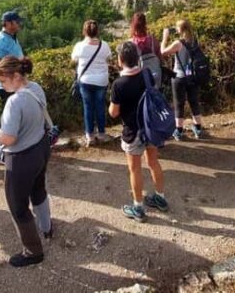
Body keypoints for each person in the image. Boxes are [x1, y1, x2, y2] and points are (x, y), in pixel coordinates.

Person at [0, 55, 53, 267]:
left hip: (21, 158)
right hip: (41, 148)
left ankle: (33, 251)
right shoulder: (35, 88)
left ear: (16, 76)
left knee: (18, 206)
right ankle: (46, 228)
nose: (1, 85)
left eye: (3, 81)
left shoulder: (14, 101)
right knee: (38, 190)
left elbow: (9, 138)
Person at [109, 41, 168, 223]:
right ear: (137, 58)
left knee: (135, 169)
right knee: (153, 162)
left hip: (132, 131)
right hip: (150, 127)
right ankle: (160, 198)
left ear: (120, 60)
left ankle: (139, 207)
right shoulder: (146, 73)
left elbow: (113, 112)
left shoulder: (119, 84)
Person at [0, 11, 25, 164]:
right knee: (9, 119)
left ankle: (14, 149)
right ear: (7, 23)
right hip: (7, 86)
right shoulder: (1, 40)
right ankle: (1, 153)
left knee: (15, 117)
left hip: (13, 83)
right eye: (16, 21)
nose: (19, 24)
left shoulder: (11, 37)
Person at [161, 19, 204, 141]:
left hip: (179, 77)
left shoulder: (178, 43)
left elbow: (163, 52)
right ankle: (198, 128)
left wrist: (165, 37)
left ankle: (179, 131)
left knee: (179, 104)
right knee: (194, 102)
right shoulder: (194, 41)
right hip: (193, 76)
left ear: (180, 29)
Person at [71, 20, 112, 146]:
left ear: (84, 31)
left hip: (86, 80)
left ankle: (90, 135)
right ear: (97, 31)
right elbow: (109, 59)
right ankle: (102, 133)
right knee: (100, 106)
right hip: (101, 80)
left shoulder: (79, 46)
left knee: (88, 107)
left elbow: (73, 61)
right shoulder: (104, 45)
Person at [130, 12, 163, 89]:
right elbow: (160, 57)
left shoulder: (131, 42)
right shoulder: (152, 40)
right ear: (145, 24)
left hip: (140, 76)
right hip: (155, 73)